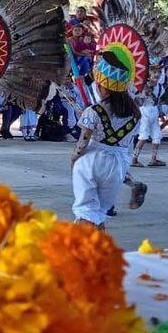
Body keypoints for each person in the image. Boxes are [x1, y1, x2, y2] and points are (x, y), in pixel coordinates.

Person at [71, 54, 145, 227]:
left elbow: (82, 143)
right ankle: (101, 251)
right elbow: (126, 146)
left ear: (104, 88)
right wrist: (125, 172)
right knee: (99, 214)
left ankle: (77, 250)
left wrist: (74, 158)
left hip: (92, 161)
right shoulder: (135, 114)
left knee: (86, 212)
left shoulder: (94, 111)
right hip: (117, 165)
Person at [132, 70, 166, 167]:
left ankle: (153, 159)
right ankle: (134, 159)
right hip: (145, 112)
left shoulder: (160, 87)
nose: (157, 74)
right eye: (154, 72)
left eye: (159, 72)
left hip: (154, 112)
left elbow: (158, 101)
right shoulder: (143, 86)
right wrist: (144, 94)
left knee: (157, 135)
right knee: (143, 135)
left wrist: (161, 112)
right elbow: (139, 102)